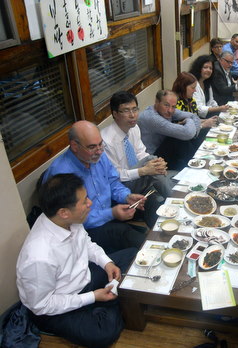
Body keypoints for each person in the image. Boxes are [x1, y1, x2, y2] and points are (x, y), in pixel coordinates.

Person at [17, 174, 137, 347]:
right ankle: (113, 300)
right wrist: (93, 297)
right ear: (63, 212)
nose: (90, 203)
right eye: (84, 201)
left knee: (133, 255)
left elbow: (87, 244)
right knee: (103, 334)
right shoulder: (38, 256)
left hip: (83, 279)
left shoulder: (69, 220)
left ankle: (111, 300)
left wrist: (106, 262)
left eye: (86, 197)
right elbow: (42, 305)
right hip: (56, 306)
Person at [43, 121, 146, 253]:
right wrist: (111, 213)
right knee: (126, 235)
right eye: (92, 147)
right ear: (75, 146)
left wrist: (126, 196)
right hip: (85, 229)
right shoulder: (62, 173)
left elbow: (113, 182)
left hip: (109, 214)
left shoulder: (99, 156)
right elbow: (72, 218)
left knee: (150, 200)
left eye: (100, 144)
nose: (99, 151)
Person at [101, 91, 173, 208]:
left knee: (153, 161)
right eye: (126, 110)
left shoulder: (134, 128)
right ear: (115, 114)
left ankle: (168, 195)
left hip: (136, 179)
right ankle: (173, 197)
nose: (132, 115)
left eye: (135, 109)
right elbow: (115, 176)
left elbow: (141, 154)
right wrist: (143, 170)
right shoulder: (106, 140)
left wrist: (155, 165)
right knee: (151, 160)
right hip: (120, 188)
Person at [138, 89, 202, 171]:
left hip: (165, 150)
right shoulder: (152, 118)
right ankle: (192, 166)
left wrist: (193, 131)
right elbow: (188, 133)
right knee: (179, 137)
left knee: (184, 136)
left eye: (173, 106)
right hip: (152, 158)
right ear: (157, 102)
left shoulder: (166, 110)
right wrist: (187, 121)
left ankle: (194, 164)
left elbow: (194, 116)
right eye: (166, 105)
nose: (170, 110)